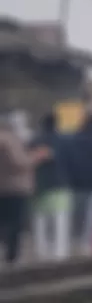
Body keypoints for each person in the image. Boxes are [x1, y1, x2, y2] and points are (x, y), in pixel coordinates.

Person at [61, 111, 92, 255]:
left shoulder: (73, 138)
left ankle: (72, 242)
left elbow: (66, 161)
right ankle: (85, 244)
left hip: (75, 182)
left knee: (75, 213)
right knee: (90, 215)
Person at [28, 113, 70, 261]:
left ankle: (41, 250)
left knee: (40, 219)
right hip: (60, 184)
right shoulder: (64, 141)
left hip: (40, 185)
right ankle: (60, 251)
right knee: (60, 219)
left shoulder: (34, 141)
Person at [0, 112, 33, 264]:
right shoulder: (9, 140)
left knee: (5, 220)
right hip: (16, 187)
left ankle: (8, 251)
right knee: (15, 222)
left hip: (4, 187)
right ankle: (12, 255)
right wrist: (35, 157)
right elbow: (19, 162)